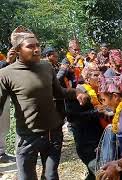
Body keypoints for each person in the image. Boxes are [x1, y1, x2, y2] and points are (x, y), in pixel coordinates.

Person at [0, 26, 89, 180]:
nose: (36, 49)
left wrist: (76, 92)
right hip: (27, 137)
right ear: (18, 50)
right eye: (30, 46)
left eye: (38, 45)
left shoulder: (46, 67)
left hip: (53, 134)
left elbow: (59, 92)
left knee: (51, 176)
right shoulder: (6, 74)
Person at [65, 67, 104, 180]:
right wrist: (96, 112)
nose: (99, 78)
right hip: (87, 143)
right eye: (95, 75)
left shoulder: (100, 92)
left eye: (100, 75)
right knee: (99, 172)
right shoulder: (78, 94)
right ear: (87, 79)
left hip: (98, 139)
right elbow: (72, 117)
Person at [0, 48, 16, 163]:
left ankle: (1, 153)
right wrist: (7, 61)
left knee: (3, 125)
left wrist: (9, 61)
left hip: (3, 94)